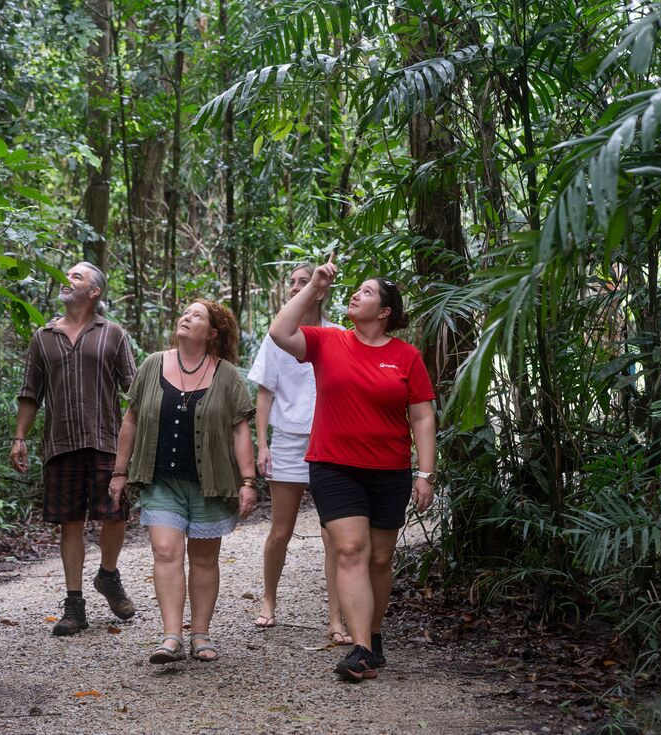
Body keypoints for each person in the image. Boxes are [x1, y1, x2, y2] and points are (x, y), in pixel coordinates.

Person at [269, 254, 437, 683]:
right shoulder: (328, 341)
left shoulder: (407, 357)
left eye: (366, 291)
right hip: (333, 466)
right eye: (355, 288)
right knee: (349, 551)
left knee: (380, 558)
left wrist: (425, 472)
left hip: (388, 470)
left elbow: (421, 416)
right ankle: (361, 649)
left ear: (384, 312)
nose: (355, 294)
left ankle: (373, 637)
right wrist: (314, 286)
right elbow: (279, 331)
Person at [108, 300, 258, 663]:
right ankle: (171, 636)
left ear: (212, 333)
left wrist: (249, 481)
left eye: (197, 316)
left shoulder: (228, 375)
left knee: (204, 560)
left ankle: (201, 634)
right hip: (160, 480)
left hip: (210, 482)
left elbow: (241, 431)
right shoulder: (152, 365)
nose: (186, 318)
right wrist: (119, 472)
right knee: (165, 551)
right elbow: (131, 420)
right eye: (185, 313)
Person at [10, 261, 138, 636]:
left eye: (76, 276)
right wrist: (20, 437)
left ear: (94, 291)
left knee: (115, 514)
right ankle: (74, 604)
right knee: (71, 523)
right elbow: (30, 392)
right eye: (67, 276)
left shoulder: (113, 334)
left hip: (107, 440)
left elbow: (133, 391)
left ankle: (109, 576)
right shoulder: (43, 336)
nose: (67, 281)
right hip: (60, 443)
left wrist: (138, 442)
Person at [248, 264, 351, 645]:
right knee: (280, 531)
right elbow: (265, 393)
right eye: (291, 282)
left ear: (319, 290)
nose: (294, 287)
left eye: (302, 282)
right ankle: (268, 601)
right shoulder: (275, 335)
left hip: (330, 441)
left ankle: (336, 618)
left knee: (333, 536)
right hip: (289, 441)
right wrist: (263, 444)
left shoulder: (339, 335)